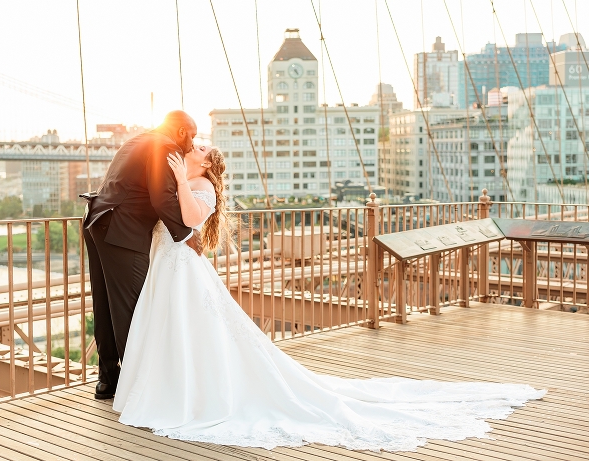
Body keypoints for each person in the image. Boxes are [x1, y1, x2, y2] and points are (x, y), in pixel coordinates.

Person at [112, 145, 546, 452]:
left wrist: (174, 180)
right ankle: (172, 388)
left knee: (197, 333)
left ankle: (191, 395)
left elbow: (188, 219)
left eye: (201, 147)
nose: (193, 147)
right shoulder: (187, 180)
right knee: (178, 332)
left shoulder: (200, 185)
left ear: (206, 162)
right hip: (171, 271)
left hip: (185, 273)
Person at [82, 110, 202, 400]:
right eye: (193, 136)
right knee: (132, 309)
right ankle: (140, 390)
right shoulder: (166, 145)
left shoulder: (139, 140)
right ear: (182, 131)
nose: (193, 144)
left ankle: (108, 381)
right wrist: (187, 234)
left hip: (98, 222)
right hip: (122, 232)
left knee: (106, 307)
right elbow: (161, 196)